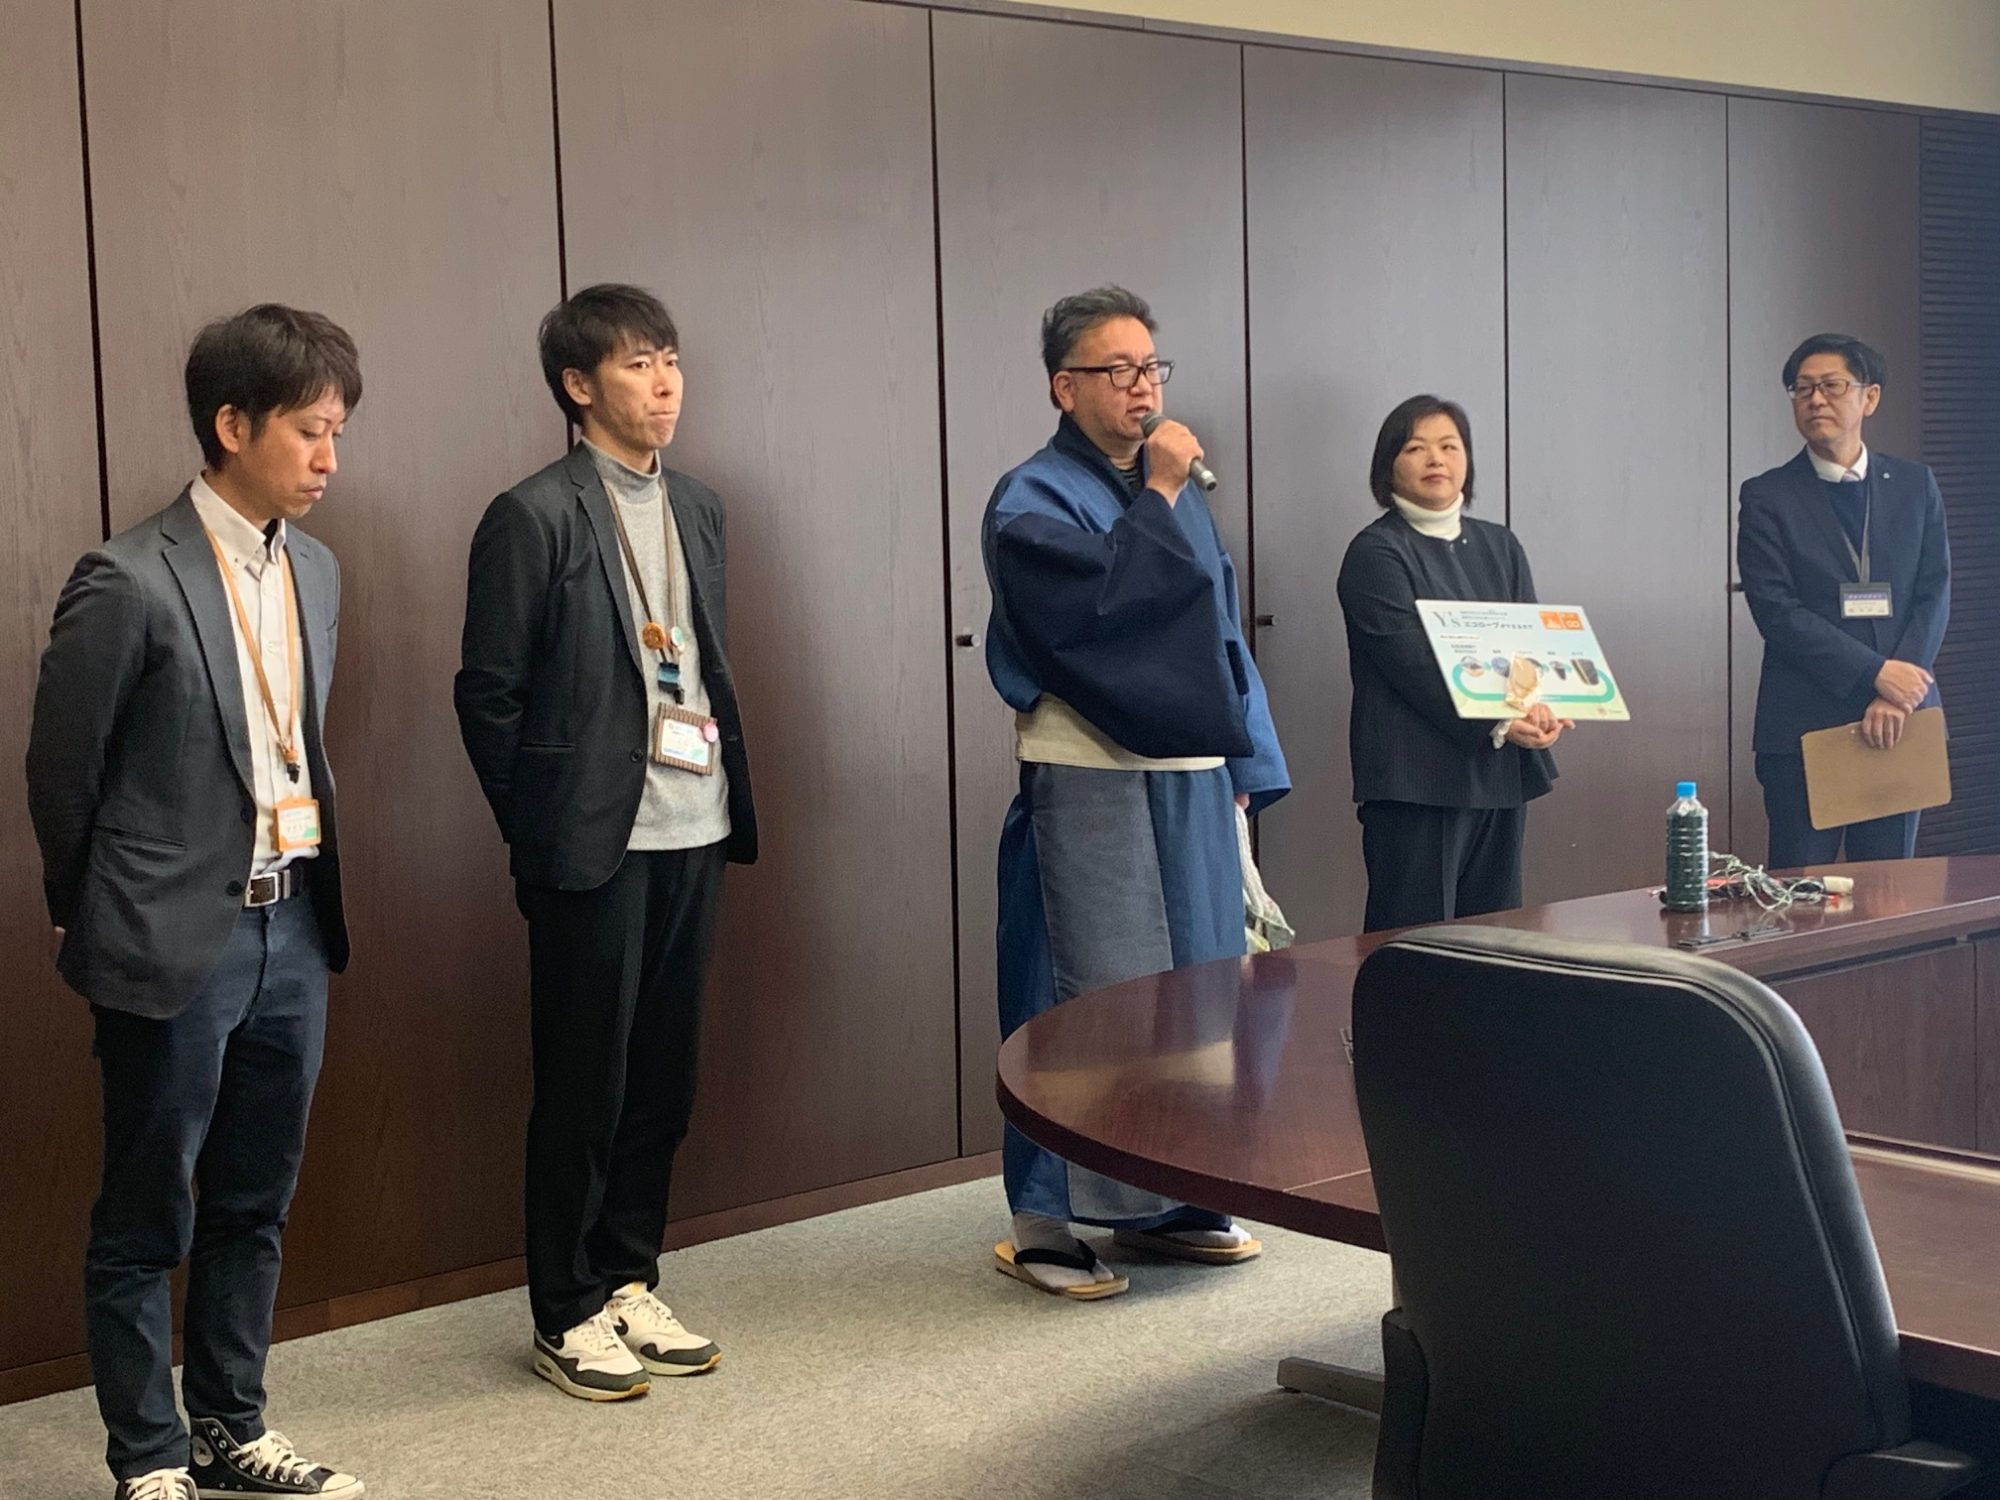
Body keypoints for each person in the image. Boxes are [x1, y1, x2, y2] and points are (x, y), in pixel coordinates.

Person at [26, 305, 364, 1500]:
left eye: (337, 433)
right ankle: (148, 1455)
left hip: (293, 923)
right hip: (171, 938)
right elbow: (62, 772)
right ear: (232, 425)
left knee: (255, 1199)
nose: (329, 459)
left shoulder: (315, 569)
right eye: (309, 431)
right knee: (146, 1209)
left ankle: (230, 1424)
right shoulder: (127, 577)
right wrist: (91, 911)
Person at [455, 284, 756, 1400]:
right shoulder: (532, 515)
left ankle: (629, 1275)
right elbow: (487, 694)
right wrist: (542, 832)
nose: (665, 382)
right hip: (593, 846)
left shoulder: (700, 507)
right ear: (578, 386)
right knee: (585, 1082)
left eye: (670, 358)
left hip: (697, 824)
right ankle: (564, 1307)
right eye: (638, 363)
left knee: (664, 1077)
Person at [981, 285, 1289, 1300]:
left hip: (1194, 782)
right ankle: (1045, 1218)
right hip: (1091, 782)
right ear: (1063, 387)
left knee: (1200, 987)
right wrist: (1158, 493)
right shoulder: (1030, 498)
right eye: (1117, 370)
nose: (1142, 387)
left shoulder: (1176, 493)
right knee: (1084, 997)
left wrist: (1246, 767)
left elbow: (1222, 632)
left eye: (1152, 367)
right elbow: (1103, 617)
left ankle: (1176, 1196)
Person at [1337, 394, 1567, 934]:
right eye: (1416, 448)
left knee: (1496, 943)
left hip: (1499, 774)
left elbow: (1527, 645)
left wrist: (1537, 708)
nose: (1436, 459)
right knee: (1415, 944)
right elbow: (1412, 663)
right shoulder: (1376, 552)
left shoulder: (1500, 544)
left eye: (1449, 446)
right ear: (1388, 464)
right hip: (1416, 783)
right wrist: (1503, 719)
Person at [1739, 333, 1951, 866]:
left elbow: (1935, 592)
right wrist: (1877, 673)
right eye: (1802, 388)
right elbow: (1777, 612)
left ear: (1869, 397)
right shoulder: (1767, 496)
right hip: (1806, 727)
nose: (1816, 400)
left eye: (1832, 386)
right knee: (1799, 893)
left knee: (1891, 894)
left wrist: (1899, 690)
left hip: (1900, 723)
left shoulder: (1914, 485)